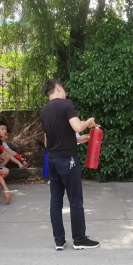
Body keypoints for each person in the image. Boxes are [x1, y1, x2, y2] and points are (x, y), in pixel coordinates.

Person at [41, 79, 99, 250]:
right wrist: (89, 122)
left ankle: (59, 240)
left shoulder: (44, 110)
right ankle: (79, 239)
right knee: (75, 200)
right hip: (68, 160)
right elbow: (77, 127)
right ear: (58, 88)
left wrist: (77, 141)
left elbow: (49, 139)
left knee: (55, 200)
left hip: (52, 160)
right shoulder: (66, 104)